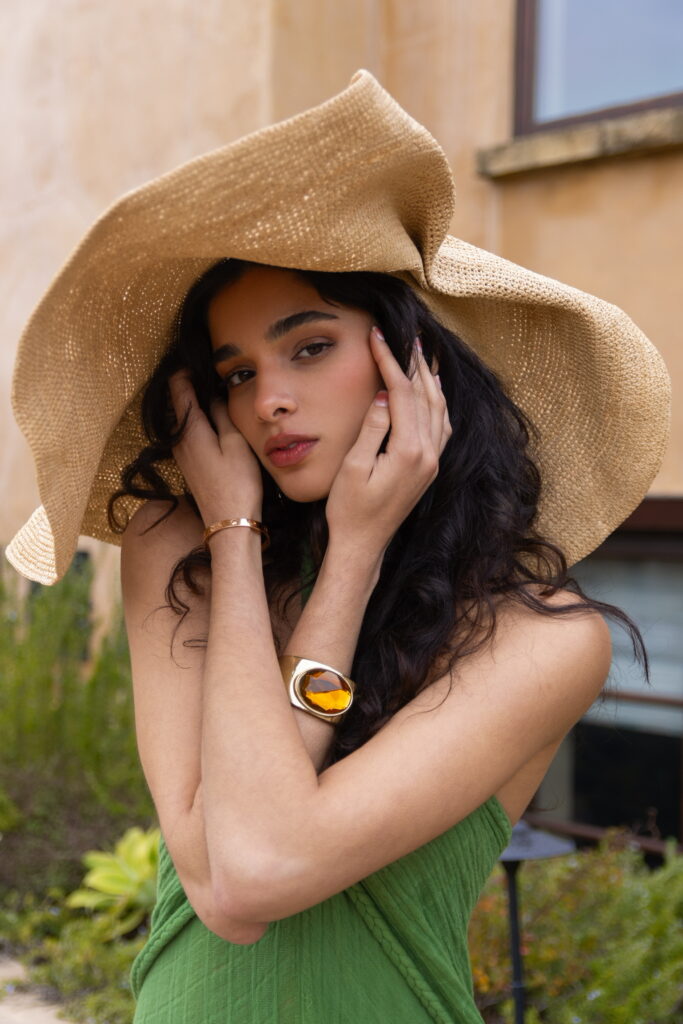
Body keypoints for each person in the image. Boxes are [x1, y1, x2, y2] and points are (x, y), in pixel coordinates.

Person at [6, 71, 670, 1022]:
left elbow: (263, 863)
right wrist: (238, 538)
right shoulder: (178, 548)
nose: (266, 396)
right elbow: (219, 879)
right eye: (236, 372)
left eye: (308, 346)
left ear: (412, 368)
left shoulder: (546, 639)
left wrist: (353, 551)